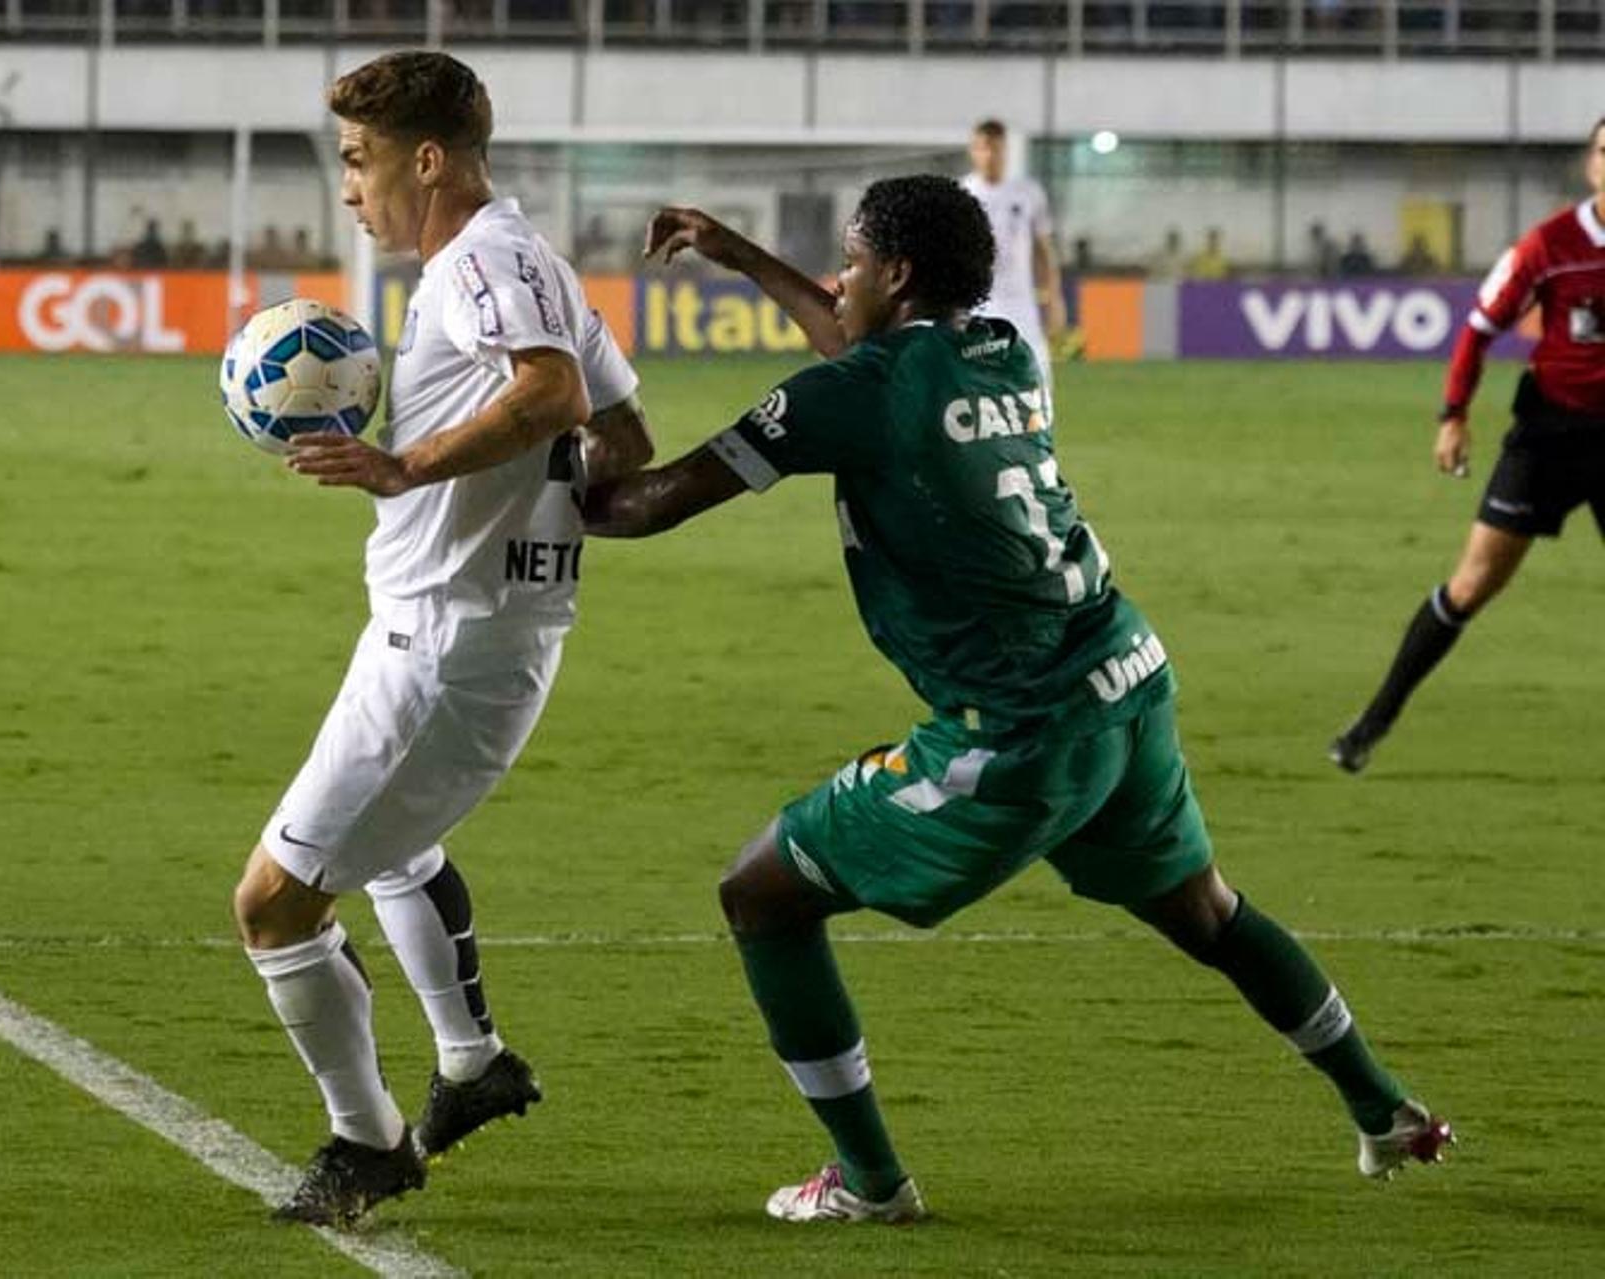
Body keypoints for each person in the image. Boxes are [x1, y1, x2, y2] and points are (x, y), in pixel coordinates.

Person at [580, 177, 1451, 1224]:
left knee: (761, 892)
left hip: (1023, 730)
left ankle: (870, 1183)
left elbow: (644, 506)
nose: (839, 277)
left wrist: (531, 468)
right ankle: (1383, 1105)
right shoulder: (1000, 350)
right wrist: (742, 256)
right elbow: (859, 357)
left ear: (893, 274)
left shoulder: (854, 393)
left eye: (850, 260)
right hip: (1127, 678)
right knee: (1206, 911)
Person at [229, 50, 653, 1229]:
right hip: (463, 633)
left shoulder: (482, 263)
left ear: (428, 160)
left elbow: (556, 394)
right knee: (396, 851)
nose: (351, 190)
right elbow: (623, 433)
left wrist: (408, 463)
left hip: (449, 651)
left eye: (361, 162)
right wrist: (535, 515)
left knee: (272, 905)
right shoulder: (533, 262)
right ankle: (472, 1063)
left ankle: (366, 1146)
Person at [1331, 119, 1605, 772]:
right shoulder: (1550, 244)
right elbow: (1479, 328)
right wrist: (1453, 415)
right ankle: (1372, 723)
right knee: (1473, 584)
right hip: (1551, 436)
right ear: (1591, 164)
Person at [960, 118, 1066, 387]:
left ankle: (1038, 429)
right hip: (976, 303)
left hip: (1020, 303)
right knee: (977, 380)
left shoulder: (1028, 192)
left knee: (1037, 377)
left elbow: (1043, 250)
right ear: (973, 151)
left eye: (996, 148)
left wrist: (1053, 297)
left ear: (1005, 150)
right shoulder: (962, 193)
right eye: (984, 148)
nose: (990, 155)